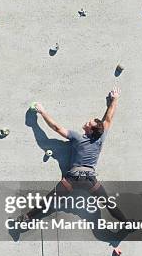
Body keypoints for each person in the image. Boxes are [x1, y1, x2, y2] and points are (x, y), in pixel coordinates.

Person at [17, 88, 129, 224]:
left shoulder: (77, 138)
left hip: (72, 180)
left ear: (90, 130)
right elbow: (108, 118)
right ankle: (126, 223)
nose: (87, 122)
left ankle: (26, 218)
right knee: (108, 203)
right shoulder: (100, 137)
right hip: (90, 181)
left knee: (49, 200)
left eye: (89, 124)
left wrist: (42, 112)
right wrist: (115, 99)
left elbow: (56, 128)